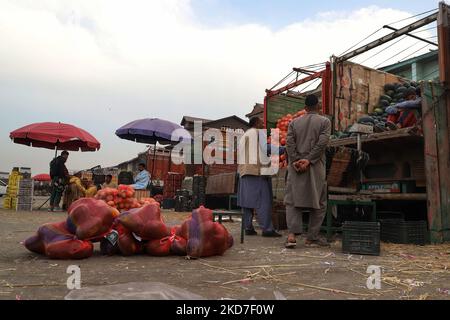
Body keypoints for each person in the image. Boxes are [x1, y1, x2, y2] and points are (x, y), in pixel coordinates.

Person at [284, 94, 331, 248]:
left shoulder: (293, 123)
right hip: (315, 166)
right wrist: (309, 160)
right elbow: (323, 142)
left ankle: (291, 235)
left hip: (296, 166)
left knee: (292, 200)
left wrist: (297, 160)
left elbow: (289, 143)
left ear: (305, 108)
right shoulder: (324, 121)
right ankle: (312, 237)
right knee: (319, 201)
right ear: (318, 107)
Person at [237, 116, 282, 238]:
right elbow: (266, 147)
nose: (263, 124)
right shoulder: (258, 133)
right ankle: (267, 229)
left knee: (247, 202)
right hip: (256, 172)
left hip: (244, 172)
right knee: (263, 201)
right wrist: (283, 149)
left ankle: (248, 227)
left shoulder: (244, 136)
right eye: (262, 122)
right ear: (256, 123)